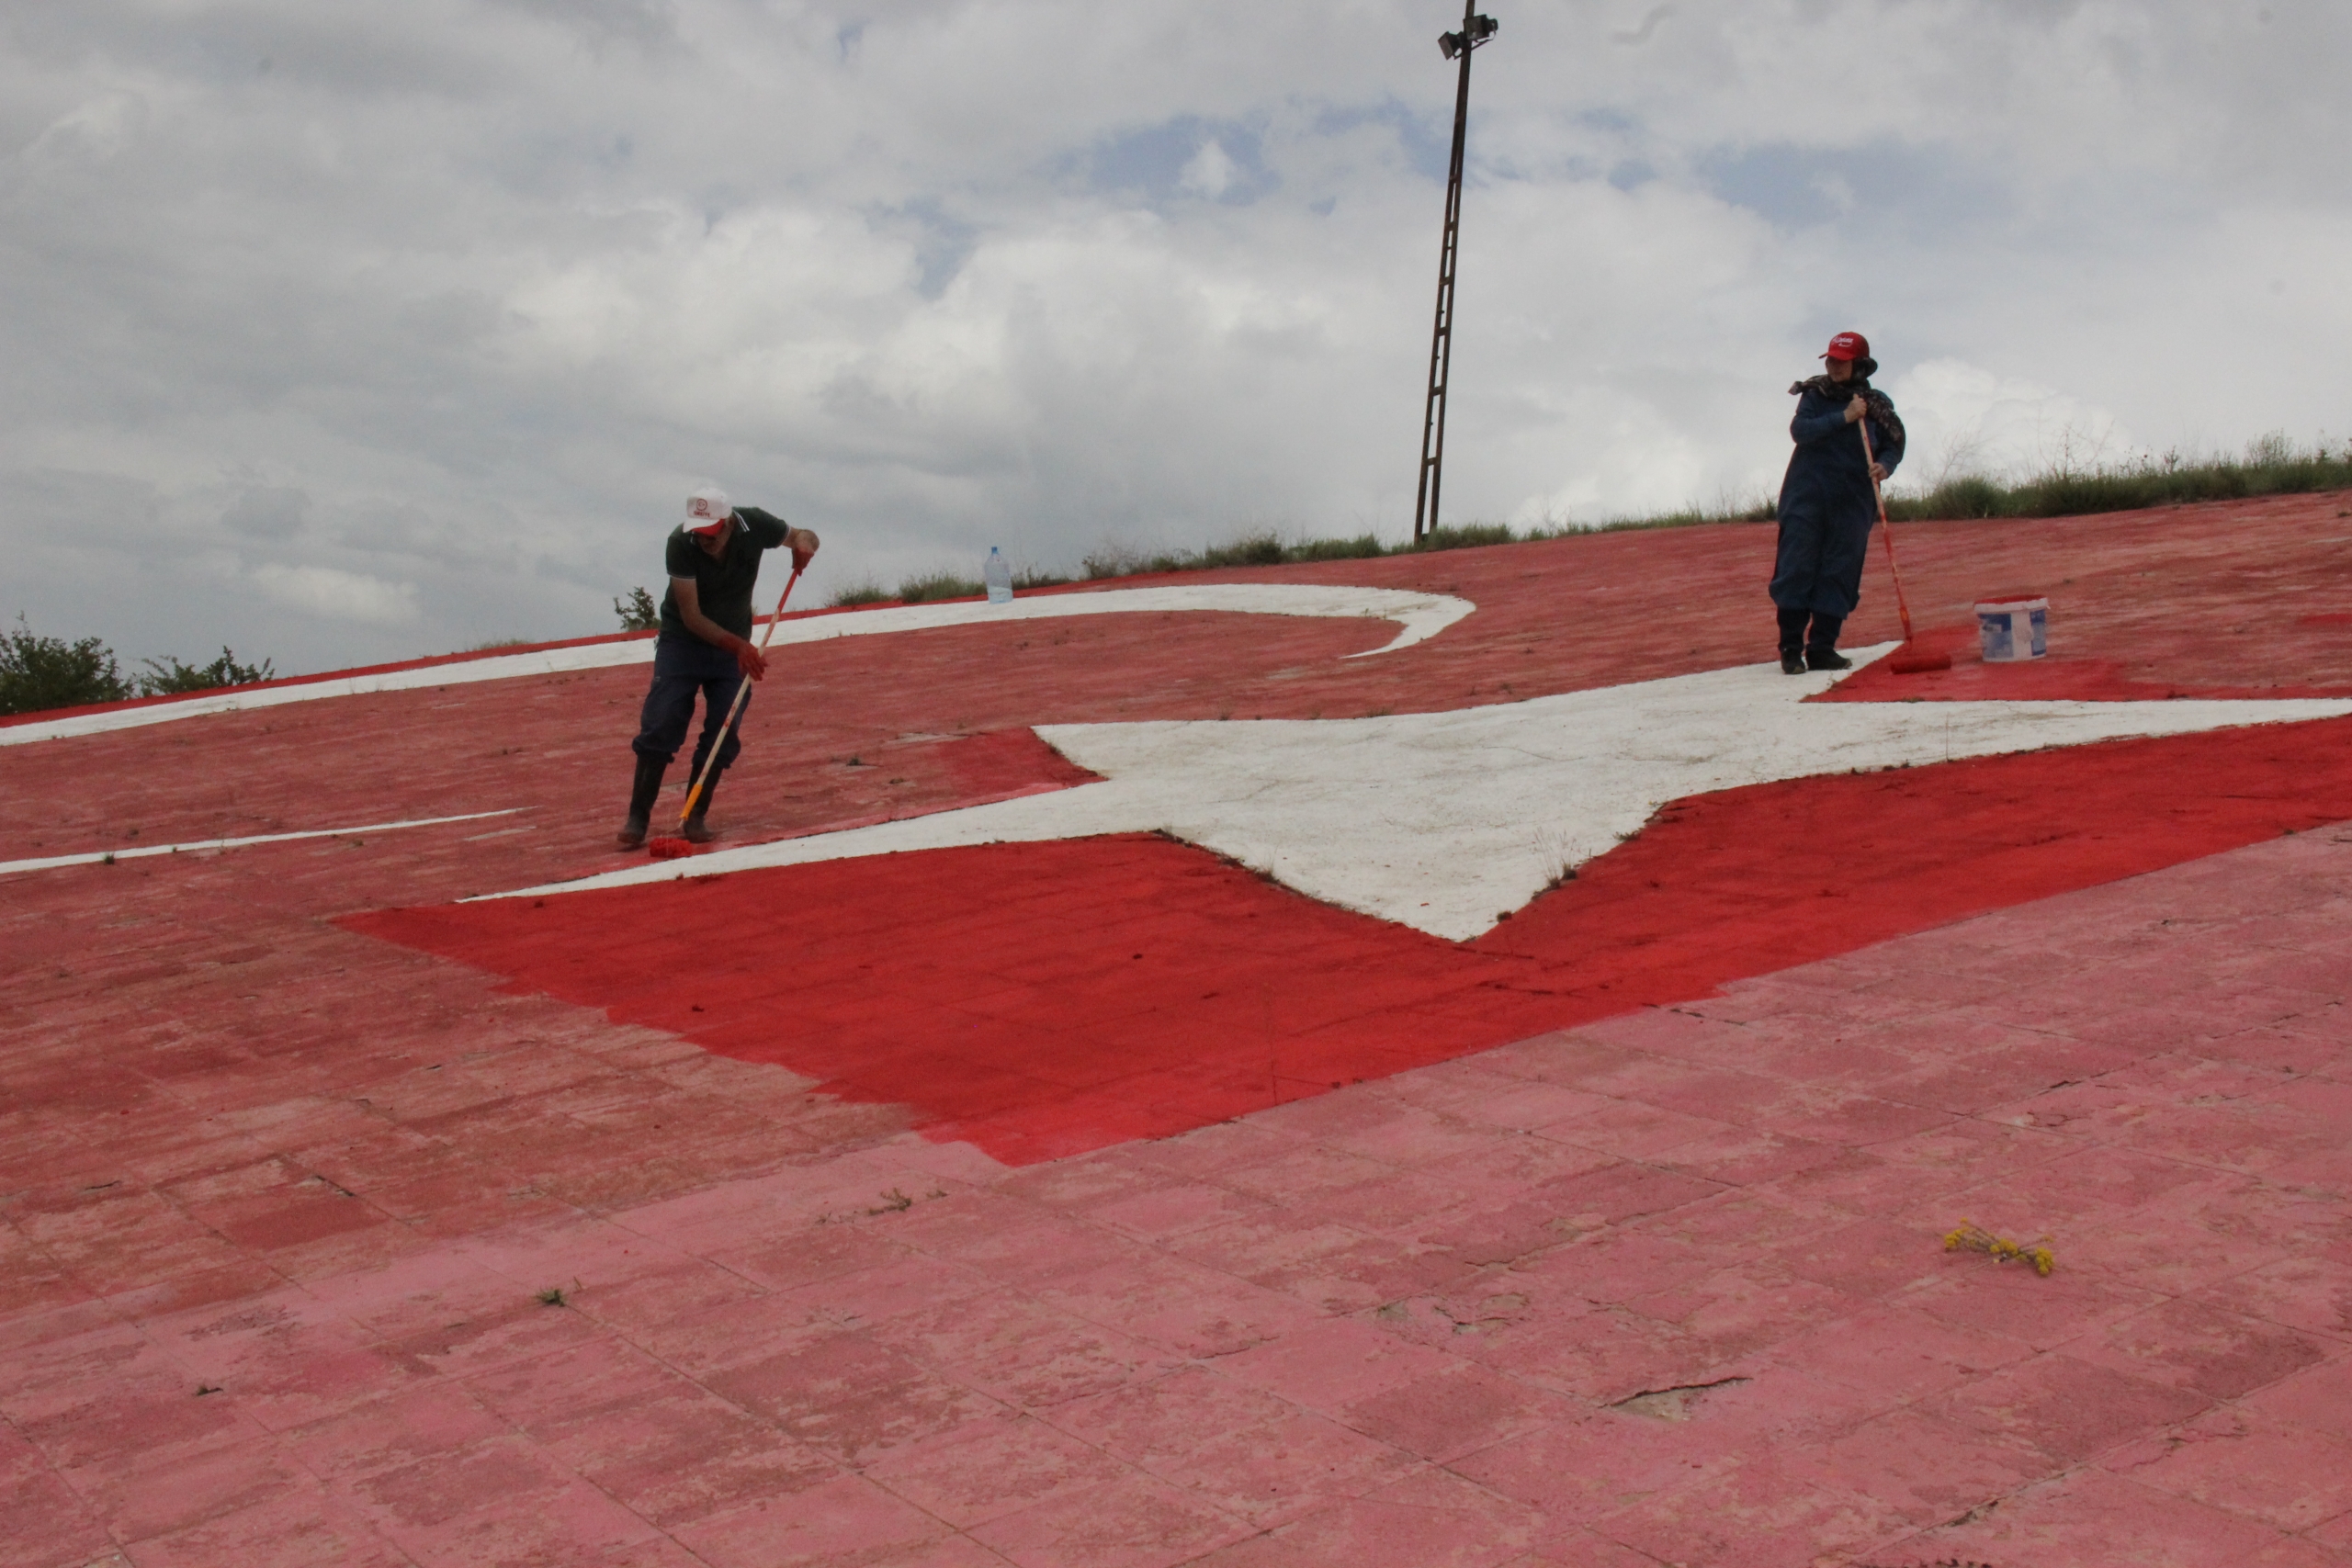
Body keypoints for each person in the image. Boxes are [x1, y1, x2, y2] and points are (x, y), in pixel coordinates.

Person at [616, 487, 819, 849]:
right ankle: (637, 818)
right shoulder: (680, 542)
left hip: (731, 648)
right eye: (699, 533)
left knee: (725, 727)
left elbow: (804, 534)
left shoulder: (754, 523)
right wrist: (740, 646)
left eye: (711, 534)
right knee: (662, 721)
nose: (704, 541)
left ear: (727, 524)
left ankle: (695, 814)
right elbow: (692, 618)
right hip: (684, 642)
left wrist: (805, 546)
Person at [1770, 331, 1905, 674]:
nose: (1834, 367)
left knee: (1839, 572)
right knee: (1796, 569)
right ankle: (1790, 649)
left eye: (1842, 362)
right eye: (1831, 360)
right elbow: (1801, 431)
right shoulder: (1814, 394)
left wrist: (1885, 466)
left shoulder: (1875, 404)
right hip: (1807, 498)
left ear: (1859, 365)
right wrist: (1844, 416)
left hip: (1852, 501)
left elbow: (1894, 442)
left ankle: (1822, 648)